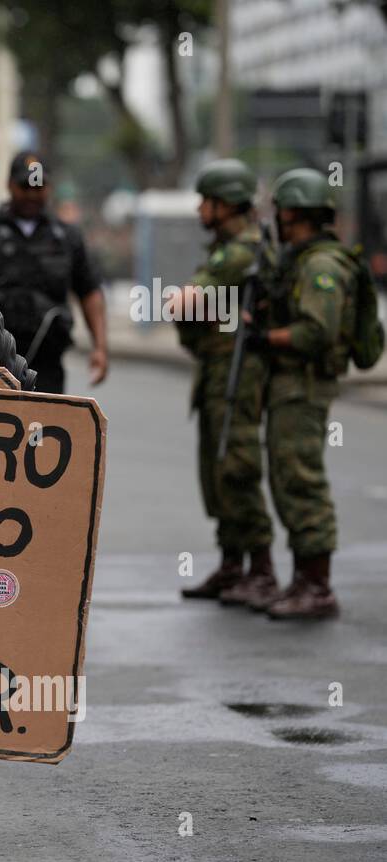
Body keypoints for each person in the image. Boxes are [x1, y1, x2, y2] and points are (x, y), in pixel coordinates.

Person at [251, 168, 359, 619]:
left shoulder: (321, 267)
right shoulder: (297, 258)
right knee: (285, 479)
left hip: (305, 386)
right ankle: (301, 579)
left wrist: (268, 338)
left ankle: (318, 585)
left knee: (302, 480)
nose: (276, 218)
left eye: (280, 210)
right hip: (289, 385)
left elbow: (318, 330)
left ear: (293, 211)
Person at [171, 159, 276, 603]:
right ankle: (233, 564)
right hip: (217, 370)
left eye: (206, 201)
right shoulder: (227, 251)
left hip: (238, 373)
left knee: (236, 466)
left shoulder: (241, 252)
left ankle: (263, 569)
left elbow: (180, 303)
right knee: (216, 467)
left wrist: (196, 301)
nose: (200, 209)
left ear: (227, 205)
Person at [0, 151, 108, 393]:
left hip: (48, 365)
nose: (32, 195)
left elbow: (89, 291)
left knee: (46, 429)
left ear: (50, 188)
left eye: (39, 187)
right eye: (25, 187)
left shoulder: (67, 237)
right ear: (10, 185)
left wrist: (100, 347)